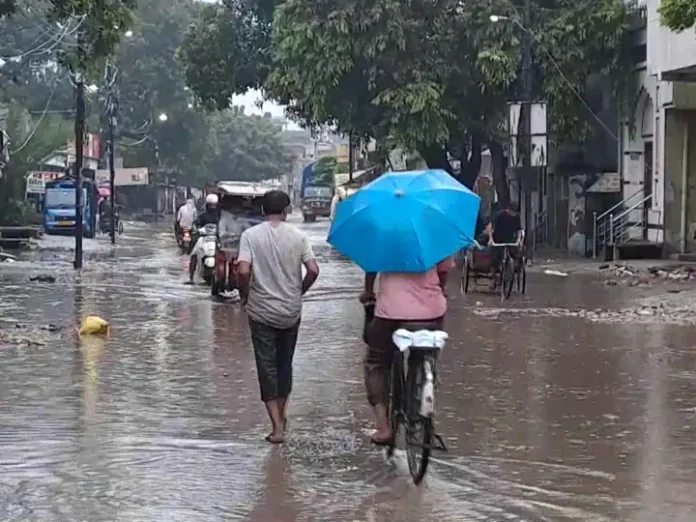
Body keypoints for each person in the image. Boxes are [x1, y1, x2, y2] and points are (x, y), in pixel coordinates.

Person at [237, 190, 320, 444]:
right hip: (290, 312)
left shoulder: (250, 236)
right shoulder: (299, 236)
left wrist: (245, 296)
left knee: (266, 366)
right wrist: (298, 292)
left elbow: (242, 271)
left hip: (261, 311)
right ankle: (282, 415)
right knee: (285, 364)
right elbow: (314, 270)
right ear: (287, 211)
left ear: (263, 211)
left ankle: (277, 427)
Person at [360, 257, 454, 445]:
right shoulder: (435, 234)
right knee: (424, 352)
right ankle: (425, 375)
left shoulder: (385, 235)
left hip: (390, 315)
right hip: (431, 314)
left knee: (376, 361)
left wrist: (368, 291)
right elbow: (443, 273)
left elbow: (372, 267)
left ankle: (384, 428)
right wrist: (440, 291)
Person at [187, 194, 219, 283]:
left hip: (217, 239)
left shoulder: (220, 215)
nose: (212, 207)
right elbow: (195, 224)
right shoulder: (202, 215)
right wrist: (195, 230)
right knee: (194, 254)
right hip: (204, 238)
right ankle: (191, 277)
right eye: (211, 205)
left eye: (214, 205)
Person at [490, 202, 522, 275]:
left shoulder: (516, 218)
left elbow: (519, 230)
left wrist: (519, 240)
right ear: (509, 210)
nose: (514, 215)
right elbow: (491, 226)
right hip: (498, 239)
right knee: (495, 257)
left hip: (510, 239)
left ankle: (516, 268)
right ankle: (494, 275)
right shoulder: (499, 215)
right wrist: (491, 239)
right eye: (513, 213)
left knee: (516, 253)